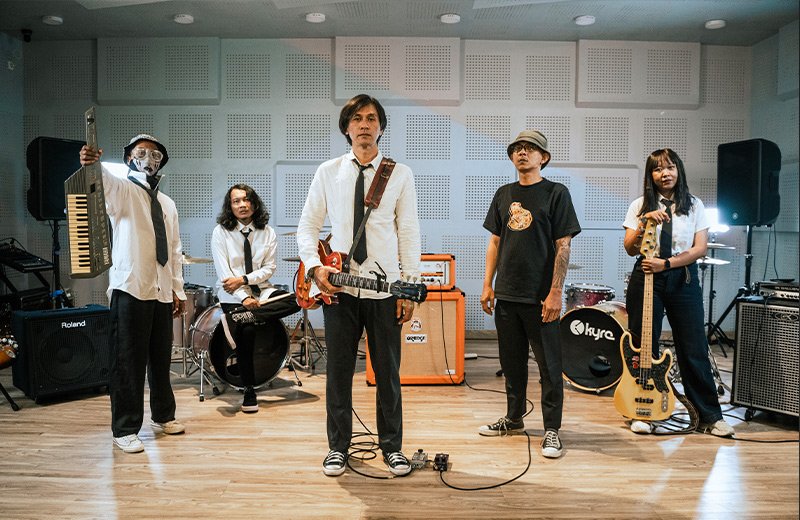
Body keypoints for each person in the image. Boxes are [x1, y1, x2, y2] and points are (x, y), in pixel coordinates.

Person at [296, 94, 421, 477]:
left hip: (384, 291)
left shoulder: (400, 174)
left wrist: (409, 287)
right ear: (346, 127)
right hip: (340, 290)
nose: (364, 124)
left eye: (371, 118)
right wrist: (315, 268)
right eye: (356, 118)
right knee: (338, 374)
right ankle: (338, 448)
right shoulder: (328, 171)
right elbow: (307, 226)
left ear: (380, 127)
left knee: (388, 374)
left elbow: (409, 233)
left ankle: (392, 447)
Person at [79, 135, 186, 454]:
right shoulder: (123, 189)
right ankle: (124, 429)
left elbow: (175, 249)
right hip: (131, 287)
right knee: (127, 361)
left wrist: (177, 290)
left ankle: (163, 416)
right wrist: (91, 163)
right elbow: (101, 181)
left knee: (160, 359)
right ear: (129, 158)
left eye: (155, 154)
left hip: (161, 289)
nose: (148, 158)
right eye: (141, 152)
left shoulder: (168, 203)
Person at [479, 130, 580, 459]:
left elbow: (563, 245)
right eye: (517, 149)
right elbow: (495, 242)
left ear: (543, 157)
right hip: (507, 294)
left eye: (530, 149)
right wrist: (487, 284)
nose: (522, 153)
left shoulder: (556, 193)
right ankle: (514, 418)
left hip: (540, 298)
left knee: (549, 366)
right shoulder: (503, 194)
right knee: (511, 364)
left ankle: (552, 429)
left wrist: (555, 292)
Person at [622, 148, 734, 437]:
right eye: (658, 169)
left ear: (678, 170)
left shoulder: (694, 205)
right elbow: (630, 248)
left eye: (670, 167)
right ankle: (642, 412)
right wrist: (645, 222)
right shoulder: (639, 205)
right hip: (647, 276)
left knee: (693, 346)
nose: (665, 173)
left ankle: (710, 416)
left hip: (682, 276)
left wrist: (668, 263)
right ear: (651, 175)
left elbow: (700, 248)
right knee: (643, 347)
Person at [211, 183, 299, 413]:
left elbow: (269, 269)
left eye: (246, 199)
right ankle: (249, 390)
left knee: (297, 300)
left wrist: (245, 279)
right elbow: (225, 275)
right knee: (247, 331)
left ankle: (244, 316)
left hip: (262, 291)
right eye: (236, 201)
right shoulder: (221, 232)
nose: (242, 204)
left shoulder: (268, 232)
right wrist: (243, 297)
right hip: (232, 294)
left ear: (254, 203)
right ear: (230, 206)